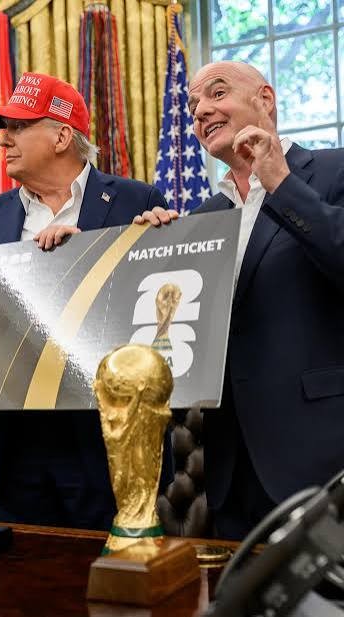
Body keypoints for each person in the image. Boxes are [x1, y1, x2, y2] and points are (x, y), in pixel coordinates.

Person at [0, 72, 171, 529]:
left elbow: (155, 316)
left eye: (18, 127)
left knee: (106, 573)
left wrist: (83, 254)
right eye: (4, 129)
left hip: (101, 444)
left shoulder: (138, 201)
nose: (3, 140)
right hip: (12, 449)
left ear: (62, 136)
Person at [135, 61, 344, 540]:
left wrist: (281, 184)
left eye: (217, 93)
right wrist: (152, 254)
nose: (200, 111)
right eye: (193, 106)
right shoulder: (204, 217)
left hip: (323, 460)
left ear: (264, 99)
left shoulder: (335, 170)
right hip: (230, 472)